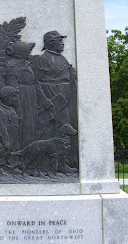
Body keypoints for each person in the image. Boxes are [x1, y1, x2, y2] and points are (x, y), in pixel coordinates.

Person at [35, 30, 78, 168]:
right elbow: (35, 82)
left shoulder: (62, 58)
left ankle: (62, 165)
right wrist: (44, 100)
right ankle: (40, 165)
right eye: (59, 41)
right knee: (46, 131)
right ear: (52, 43)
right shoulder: (43, 59)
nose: (62, 44)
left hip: (63, 97)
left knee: (65, 128)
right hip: (50, 96)